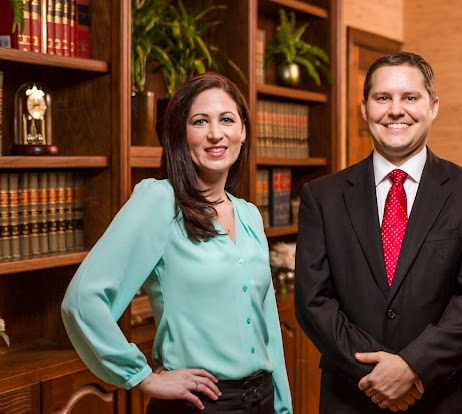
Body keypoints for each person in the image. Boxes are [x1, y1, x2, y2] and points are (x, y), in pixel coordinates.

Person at [62, 73, 292, 414]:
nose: (215, 133)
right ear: (180, 135)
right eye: (200, 121)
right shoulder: (159, 201)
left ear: (243, 131)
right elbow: (82, 300)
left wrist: (283, 406)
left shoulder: (249, 214)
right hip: (198, 405)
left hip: (262, 400)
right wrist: (142, 376)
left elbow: (268, 323)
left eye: (227, 120)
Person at [294, 51, 462, 413]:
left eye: (410, 97)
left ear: (433, 106)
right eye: (382, 98)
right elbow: (313, 302)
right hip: (352, 395)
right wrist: (378, 373)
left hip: (444, 397)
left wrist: (412, 367)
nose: (396, 110)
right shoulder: (322, 197)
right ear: (364, 109)